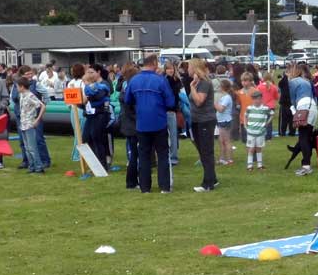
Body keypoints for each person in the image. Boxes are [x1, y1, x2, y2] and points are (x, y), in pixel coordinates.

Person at [123, 53, 176, 193]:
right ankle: (164, 186)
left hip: (142, 124)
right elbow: (171, 102)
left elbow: (127, 100)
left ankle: (145, 187)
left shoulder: (134, 80)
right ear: (153, 63)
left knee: (144, 155)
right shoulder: (161, 80)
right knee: (163, 154)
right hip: (159, 122)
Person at [188, 60, 218, 193]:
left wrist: (192, 87)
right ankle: (213, 178)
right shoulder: (198, 82)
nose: (187, 69)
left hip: (205, 120)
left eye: (189, 67)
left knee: (206, 152)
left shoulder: (204, 83)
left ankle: (208, 183)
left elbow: (199, 101)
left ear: (195, 69)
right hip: (197, 120)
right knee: (203, 151)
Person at [287, 63, 318, 176]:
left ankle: (306, 166)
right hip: (313, 107)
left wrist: (294, 113)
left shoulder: (293, 82)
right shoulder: (307, 81)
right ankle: (306, 163)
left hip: (303, 107)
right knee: (307, 137)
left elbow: (293, 100)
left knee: (303, 137)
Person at [82, 66, 112, 169]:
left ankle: (102, 164)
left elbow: (97, 98)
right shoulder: (89, 89)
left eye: (85, 81)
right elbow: (84, 102)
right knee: (86, 137)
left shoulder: (101, 87)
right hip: (91, 115)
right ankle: (94, 162)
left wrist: (87, 95)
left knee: (96, 137)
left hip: (100, 115)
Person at [16, 76, 46, 173]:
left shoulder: (30, 96)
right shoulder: (22, 95)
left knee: (32, 148)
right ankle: (32, 166)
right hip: (23, 124)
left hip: (30, 124)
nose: (16, 88)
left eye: (17, 86)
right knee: (27, 148)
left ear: (22, 87)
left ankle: (39, 167)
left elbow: (42, 106)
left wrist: (37, 119)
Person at [243, 88, 272, 170]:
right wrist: (245, 125)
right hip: (251, 132)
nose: (257, 101)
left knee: (259, 148)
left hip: (260, 132)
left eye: (258, 99)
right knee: (251, 148)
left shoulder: (265, 108)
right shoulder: (249, 108)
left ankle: (260, 165)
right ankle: (249, 165)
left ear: (261, 99)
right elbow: (245, 116)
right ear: (252, 100)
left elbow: (272, 114)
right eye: (255, 99)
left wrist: (267, 123)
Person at [215, 78, 235, 166]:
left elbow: (221, 109)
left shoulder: (227, 97)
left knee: (226, 141)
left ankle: (229, 159)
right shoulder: (224, 97)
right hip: (221, 121)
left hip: (225, 121)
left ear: (223, 87)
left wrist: (214, 104)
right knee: (221, 141)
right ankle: (222, 158)